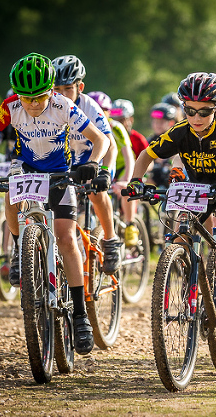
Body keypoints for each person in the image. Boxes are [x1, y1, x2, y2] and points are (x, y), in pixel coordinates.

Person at [0, 52, 110, 355]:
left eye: (39, 97)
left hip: (60, 173)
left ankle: (80, 314)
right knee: (8, 187)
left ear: (52, 90)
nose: (32, 104)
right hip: (28, 168)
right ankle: (20, 247)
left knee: (66, 238)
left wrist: (94, 163)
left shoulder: (64, 106)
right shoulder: (9, 107)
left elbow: (101, 139)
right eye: (26, 98)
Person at [126, 72, 216, 355]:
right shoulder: (180, 132)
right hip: (197, 189)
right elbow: (147, 155)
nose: (196, 117)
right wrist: (137, 181)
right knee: (181, 237)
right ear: (183, 108)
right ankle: (194, 289)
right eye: (190, 110)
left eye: (205, 111)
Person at [51, 55, 122, 275]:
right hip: (62, 161)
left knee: (96, 192)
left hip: (89, 157)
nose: (62, 95)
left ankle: (110, 240)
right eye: (57, 89)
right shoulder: (47, 107)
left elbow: (109, 145)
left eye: (68, 89)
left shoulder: (90, 107)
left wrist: (106, 173)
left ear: (80, 87)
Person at [89, 91, 139, 248]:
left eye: (104, 110)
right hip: (101, 167)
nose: (100, 113)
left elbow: (128, 156)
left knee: (126, 191)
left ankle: (130, 224)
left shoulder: (115, 127)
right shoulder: (85, 125)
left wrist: (126, 180)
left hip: (122, 166)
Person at [147, 102, 178, 187]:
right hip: (154, 180)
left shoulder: (176, 139)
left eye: (161, 122)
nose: (157, 125)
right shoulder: (150, 140)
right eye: (155, 121)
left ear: (171, 123)